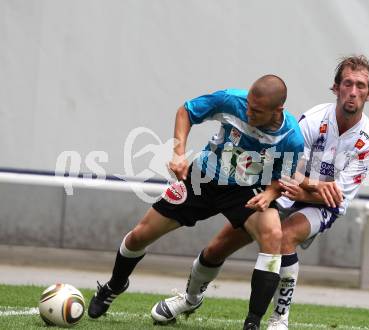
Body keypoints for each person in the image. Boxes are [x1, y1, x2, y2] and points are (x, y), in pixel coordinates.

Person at [151, 55, 369, 330]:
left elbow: (335, 198)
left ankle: (279, 318)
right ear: (336, 87)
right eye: (347, 83)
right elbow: (286, 169)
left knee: (283, 237)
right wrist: (301, 185)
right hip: (281, 189)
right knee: (216, 249)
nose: (353, 91)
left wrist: (304, 189)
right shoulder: (311, 121)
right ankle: (190, 299)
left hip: (319, 206)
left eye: (360, 86)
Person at [87, 74, 304, 330]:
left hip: (245, 191)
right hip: (201, 180)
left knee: (272, 234)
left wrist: (270, 194)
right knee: (140, 235)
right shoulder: (231, 100)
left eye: (255, 111)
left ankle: (252, 322)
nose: (248, 112)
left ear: (278, 109)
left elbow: (283, 178)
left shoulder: (292, 137)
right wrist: (178, 153)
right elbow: (186, 111)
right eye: (247, 105)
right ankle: (115, 284)